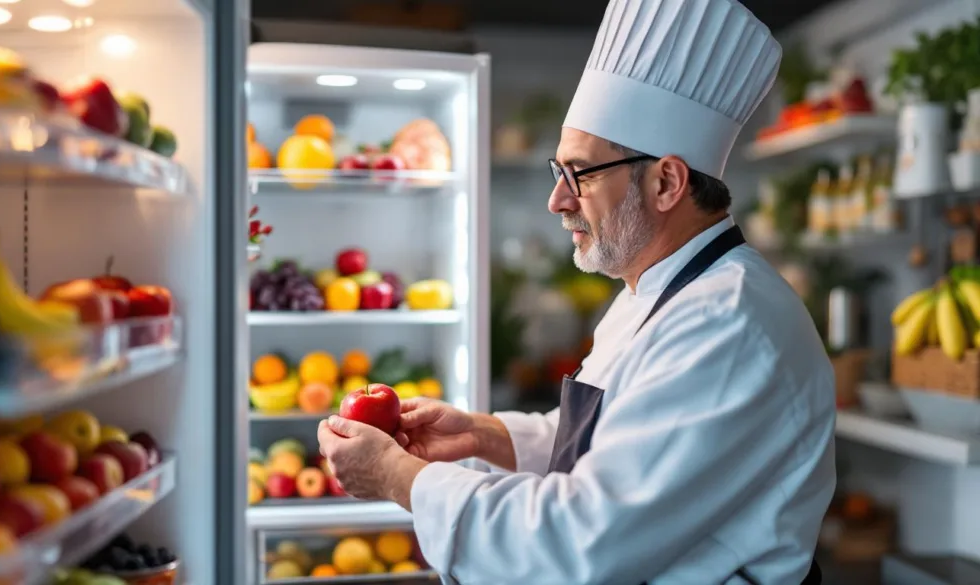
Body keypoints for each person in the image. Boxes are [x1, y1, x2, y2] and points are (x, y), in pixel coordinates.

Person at [317, 0, 836, 582]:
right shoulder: (652, 293)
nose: (558, 200)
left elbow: (582, 540)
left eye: (580, 174)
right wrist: (482, 434)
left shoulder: (726, 323)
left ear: (667, 182)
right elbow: (615, 448)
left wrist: (398, 477)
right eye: (556, 172)